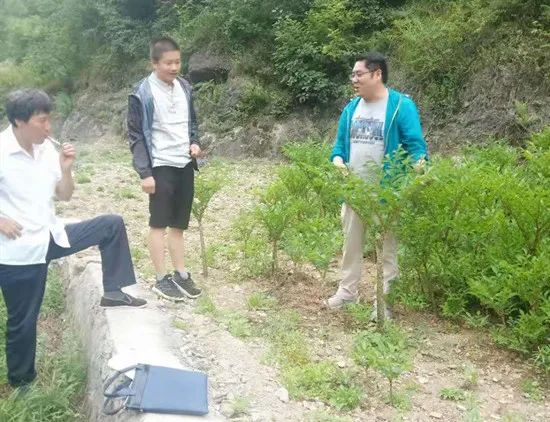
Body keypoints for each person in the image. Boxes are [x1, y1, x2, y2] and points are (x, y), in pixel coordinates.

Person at [0, 89, 147, 388]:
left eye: (49, 119)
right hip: (18, 251)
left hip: (51, 235)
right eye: (42, 121)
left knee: (111, 225)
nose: (49, 127)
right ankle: (22, 384)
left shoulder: (46, 151)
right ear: (19, 121)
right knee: (23, 321)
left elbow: (64, 195)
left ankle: (114, 292)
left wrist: (66, 170)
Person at [325, 52, 428, 318]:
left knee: (387, 250)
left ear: (377, 74)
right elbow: (338, 147)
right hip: (354, 192)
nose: (354, 79)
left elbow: (416, 148)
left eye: (359, 74)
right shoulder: (351, 108)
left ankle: (384, 303)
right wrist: (338, 161)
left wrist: (417, 170)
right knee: (351, 245)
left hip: (387, 193)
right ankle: (347, 293)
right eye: (352, 74)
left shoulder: (400, 106)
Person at [127, 36, 202, 302]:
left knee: (179, 224)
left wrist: (194, 142)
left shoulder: (184, 87)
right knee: (158, 224)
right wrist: (145, 173)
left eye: (177, 62)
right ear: (154, 63)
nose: (174, 67)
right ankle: (161, 278)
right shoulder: (141, 93)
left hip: (184, 163)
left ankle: (181, 274)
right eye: (168, 63)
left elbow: (192, 123)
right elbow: (136, 136)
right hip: (160, 165)